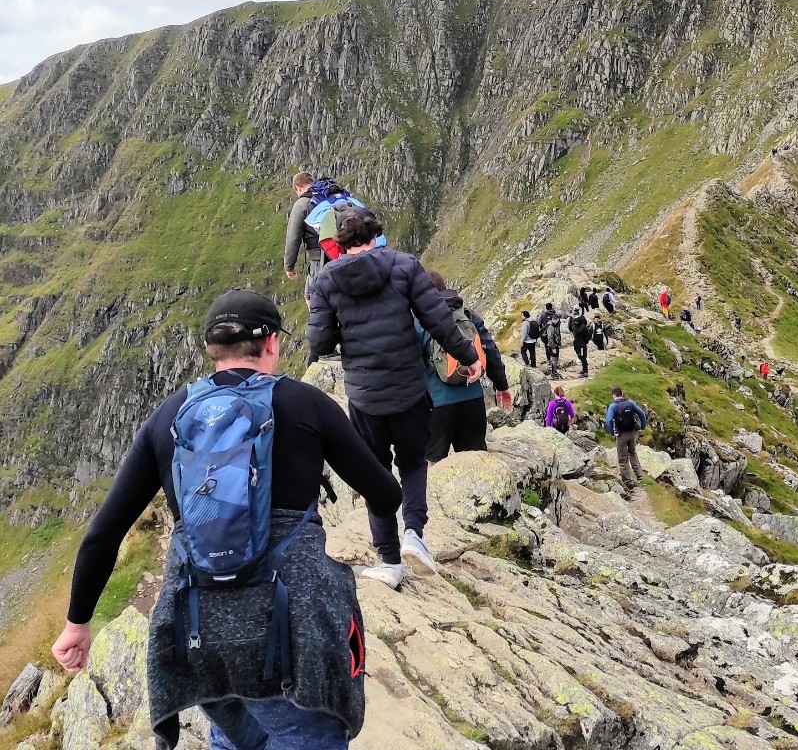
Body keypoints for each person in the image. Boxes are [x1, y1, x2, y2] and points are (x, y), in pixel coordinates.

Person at [51, 289, 402, 750]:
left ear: (211, 348)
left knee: (234, 736)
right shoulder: (307, 405)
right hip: (288, 629)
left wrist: (78, 623)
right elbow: (385, 494)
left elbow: (103, 535)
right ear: (272, 342)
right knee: (309, 737)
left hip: (197, 628)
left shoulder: (169, 417)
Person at [307, 213, 482, 588]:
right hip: (408, 390)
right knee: (413, 463)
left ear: (340, 243)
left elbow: (319, 343)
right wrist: (469, 358)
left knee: (376, 472)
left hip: (365, 396)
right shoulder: (404, 266)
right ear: (377, 236)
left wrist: (343, 329)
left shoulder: (326, 280)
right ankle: (414, 534)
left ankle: (388, 560)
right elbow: (438, 321)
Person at [421, 270, 510, 462]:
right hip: (473, 398)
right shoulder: (467, 314)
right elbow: (490, 350)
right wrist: (501, 386)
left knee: (433, 465)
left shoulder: (419, 320)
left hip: (438, 405)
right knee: (475, 460)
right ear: (445, 288)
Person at [283, 171, 323, 301]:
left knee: (311, 297)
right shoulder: (329, 198)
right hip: (345, 254)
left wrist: (289, 266)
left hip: (320, 259)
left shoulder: (302, 204)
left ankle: (320, 321)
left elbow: (293, 237)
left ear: (298, 188)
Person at [605, 387, 648, 493]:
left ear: (613, 395)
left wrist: (612, 432)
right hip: (632, 432)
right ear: (622, 393)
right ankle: (639, 476)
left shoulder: (613, 406)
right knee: (632, 453)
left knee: (623, 459)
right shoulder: (630, 403)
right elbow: (641, 413)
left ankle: (628, 482)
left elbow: (609, 420)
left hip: (621, 435)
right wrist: (642, 426)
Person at [568, 306, 590, 378]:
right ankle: (584, 369)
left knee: (583, 357)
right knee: (579, 355)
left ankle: (586, 372)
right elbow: (571, 328)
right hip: (577, 342)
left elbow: (576, 332)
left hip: (582, 343)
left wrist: (573, 325)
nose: (574, 322)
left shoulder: (582, 327)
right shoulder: (579, 324)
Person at [541, 309, 562, 379]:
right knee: (554, 360)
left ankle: (555, 372)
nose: (555, 320)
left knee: (556, 359)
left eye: (556, 319)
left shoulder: (557, 326)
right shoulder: (550, 327)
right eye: (554, 319)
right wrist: (553, 347)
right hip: (552, 346)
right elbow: (550, 338)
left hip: (557, 345)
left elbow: (558, 335)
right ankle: (553, 374)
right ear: (552, 319)